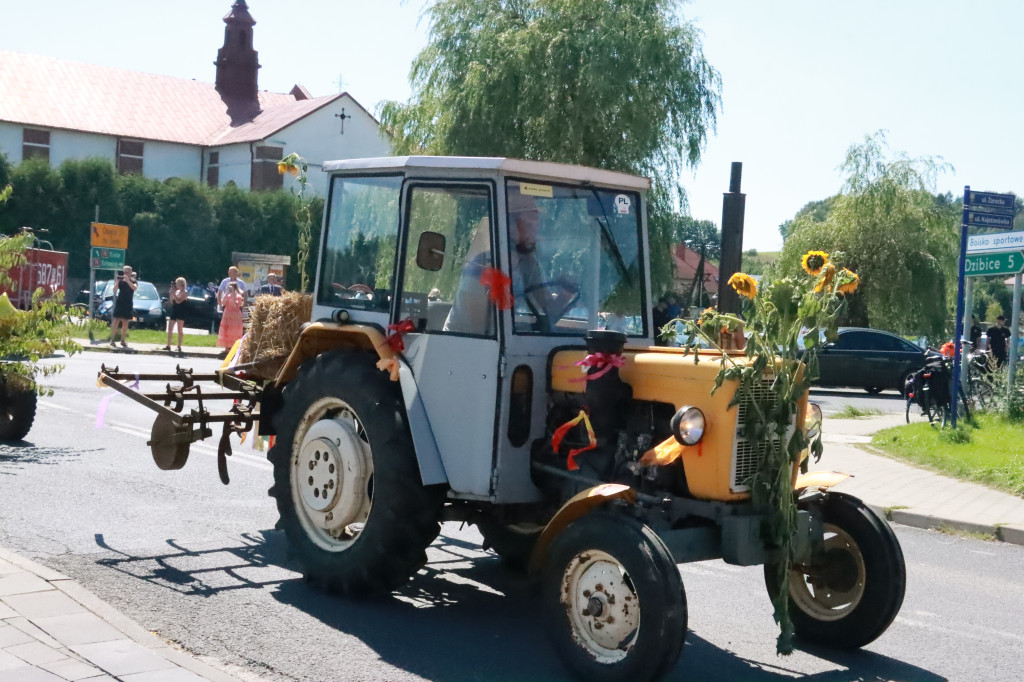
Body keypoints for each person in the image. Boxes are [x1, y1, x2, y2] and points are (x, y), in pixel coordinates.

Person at [109, 265, 137, 349]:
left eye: (127, 272)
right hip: (120, 302)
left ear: (130, 272)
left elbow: (134, 288)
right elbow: (114, 290)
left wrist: (128, 280)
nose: (125, 273)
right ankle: (112, 339)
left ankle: (123, 340)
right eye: (124, 272)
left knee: (125, 322)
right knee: (116, 320)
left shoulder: (133, 280)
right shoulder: (120, 280)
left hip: (128, 303)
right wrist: (117, 282)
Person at [217, 281, 245, 353]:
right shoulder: (227, 295)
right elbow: (223, 303)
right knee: (226, 330)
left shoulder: (238, 296)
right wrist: (227, 294)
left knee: (234, 330)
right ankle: (227, 348)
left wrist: (234, 293)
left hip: (235, 315)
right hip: (227, 314)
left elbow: (239, 304)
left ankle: (234, 347)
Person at [163, 277, 188, 353]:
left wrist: (174, 294)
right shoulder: (176, 292)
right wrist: (171, 293)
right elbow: (172, 302)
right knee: (170, 329)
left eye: (178, 284)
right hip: (174, 311)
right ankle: (168, 345)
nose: (176, 285)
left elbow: (178, 301)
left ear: (182, 285)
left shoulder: (185, 292)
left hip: (181, 312)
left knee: (179, 330)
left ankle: (179, 345)